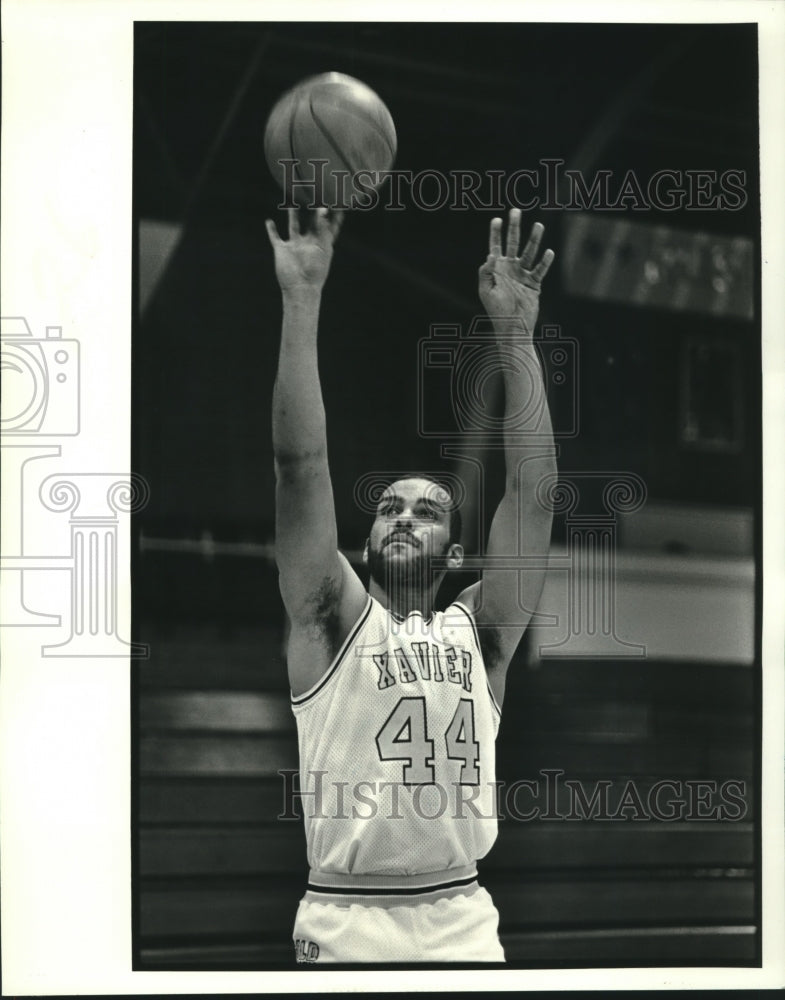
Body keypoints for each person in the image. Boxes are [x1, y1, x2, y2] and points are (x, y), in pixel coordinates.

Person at [265, 205, 556, 963]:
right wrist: (302, 300)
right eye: (388, 507)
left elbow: (533, 496)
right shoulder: (330, 619)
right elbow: (299, 467)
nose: (401, 517)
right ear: (363, 542)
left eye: (425, 512)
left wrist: (516, 340)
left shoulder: (482, 634)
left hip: (462, 917)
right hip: (346, 919)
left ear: (452, 549)